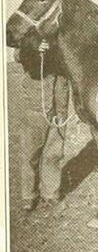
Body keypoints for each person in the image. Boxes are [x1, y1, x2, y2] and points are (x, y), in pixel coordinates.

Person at [16, 35, 70, 211]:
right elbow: (17, 54)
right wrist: (32, 47)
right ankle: (28, 196)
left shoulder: (62, 34)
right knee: (30, 154)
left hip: (58, 108)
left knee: (53, 154)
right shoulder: (32, 32)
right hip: (34, 106)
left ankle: (51, 193)